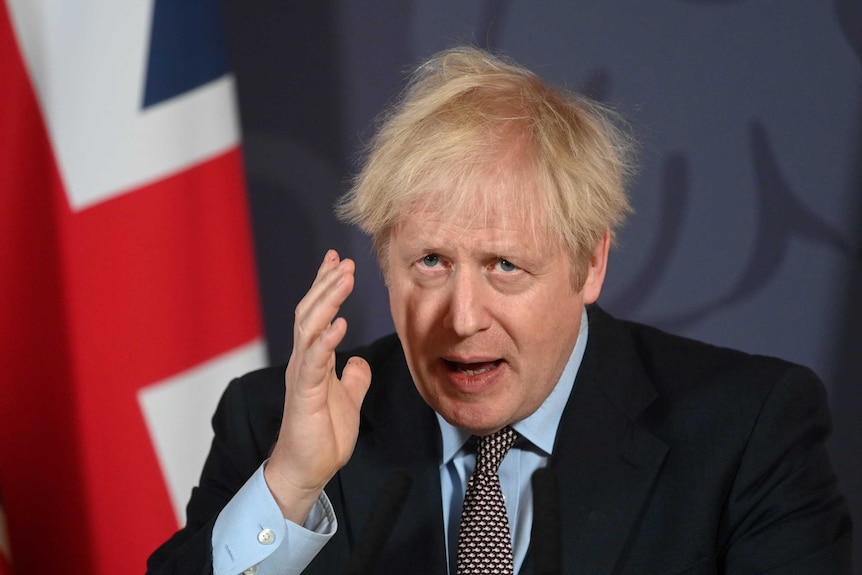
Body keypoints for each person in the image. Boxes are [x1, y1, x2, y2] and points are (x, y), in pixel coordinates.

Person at [147, 46, 852, 575]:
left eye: (505, 266)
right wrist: (290, 488)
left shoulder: (749, 430)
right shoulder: (273, 422)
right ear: (384, 261)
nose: (462, 318)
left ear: (590, 263)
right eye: (430, 263)